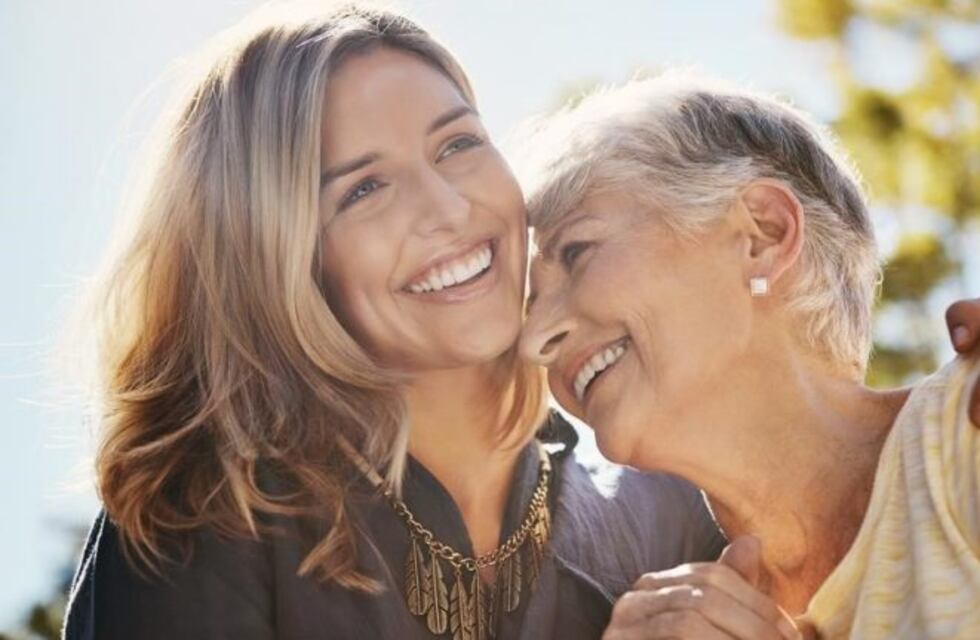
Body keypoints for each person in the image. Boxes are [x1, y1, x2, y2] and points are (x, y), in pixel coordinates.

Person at [62, 6, 730, 640]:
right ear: (278, 262)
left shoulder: (664, 513)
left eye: (458, 144)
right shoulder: (203, 518)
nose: (446, 208)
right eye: (364, 189)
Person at [517, 73, 980, 639]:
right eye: (528, 304)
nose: (533, 339)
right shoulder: (675, 623)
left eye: (577, 252)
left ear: (762, 235)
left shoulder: (962, 437)